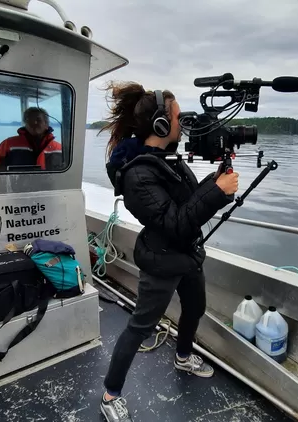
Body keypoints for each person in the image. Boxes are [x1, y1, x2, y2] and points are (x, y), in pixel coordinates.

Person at [98, 81, 239, 422]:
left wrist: (217, 179)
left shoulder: (168, 160)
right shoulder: (138, 175)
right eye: (177, 117)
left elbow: (189, 201)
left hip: (188, 254)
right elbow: (174, 222)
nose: (183, 123)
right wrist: (218, 193)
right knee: (141, 327)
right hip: (162, 259)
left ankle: (183, 356)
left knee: (196, 308)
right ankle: (110, 394)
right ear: (161, 125)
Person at [0, 107, 63, 171]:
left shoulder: (59, 149)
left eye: (38, 120)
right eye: (30, 120)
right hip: (15, 189)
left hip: (49, 189)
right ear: (25, 124)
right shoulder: (8, 145)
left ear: (46, 124)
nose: (34, 123)